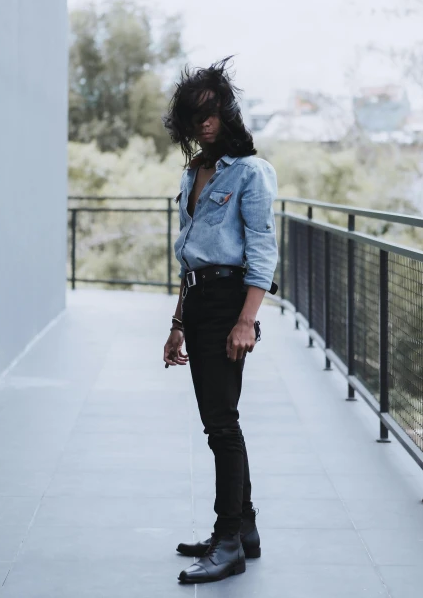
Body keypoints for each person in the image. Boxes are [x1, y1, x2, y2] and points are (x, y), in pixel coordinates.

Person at [162, 57, 278, 585]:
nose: (204, 122)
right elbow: (192, 254)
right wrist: (178, 322)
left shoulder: (249, 172)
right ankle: (243, 530)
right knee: (220, 420)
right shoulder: (194, 172)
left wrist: (246, 322)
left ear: (226, 112)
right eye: (195, 115)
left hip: (231, 301)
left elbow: (261, 251)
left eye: (212, 112)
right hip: (200, 301)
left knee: (221, 425)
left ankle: (228, 540)